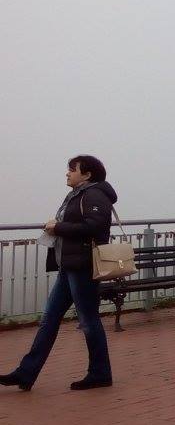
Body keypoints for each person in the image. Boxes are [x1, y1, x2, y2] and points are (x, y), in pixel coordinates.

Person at [1, 155, 115, 392]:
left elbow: (96, 227)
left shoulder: (94, 195)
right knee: (49, 321)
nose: (67, 173)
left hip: (82, 267)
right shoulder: (76, 195)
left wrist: (58, 227)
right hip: (68, 266)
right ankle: (26, 373)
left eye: (72, 169)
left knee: (88, 320)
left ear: (87, 174)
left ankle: (100, 373)